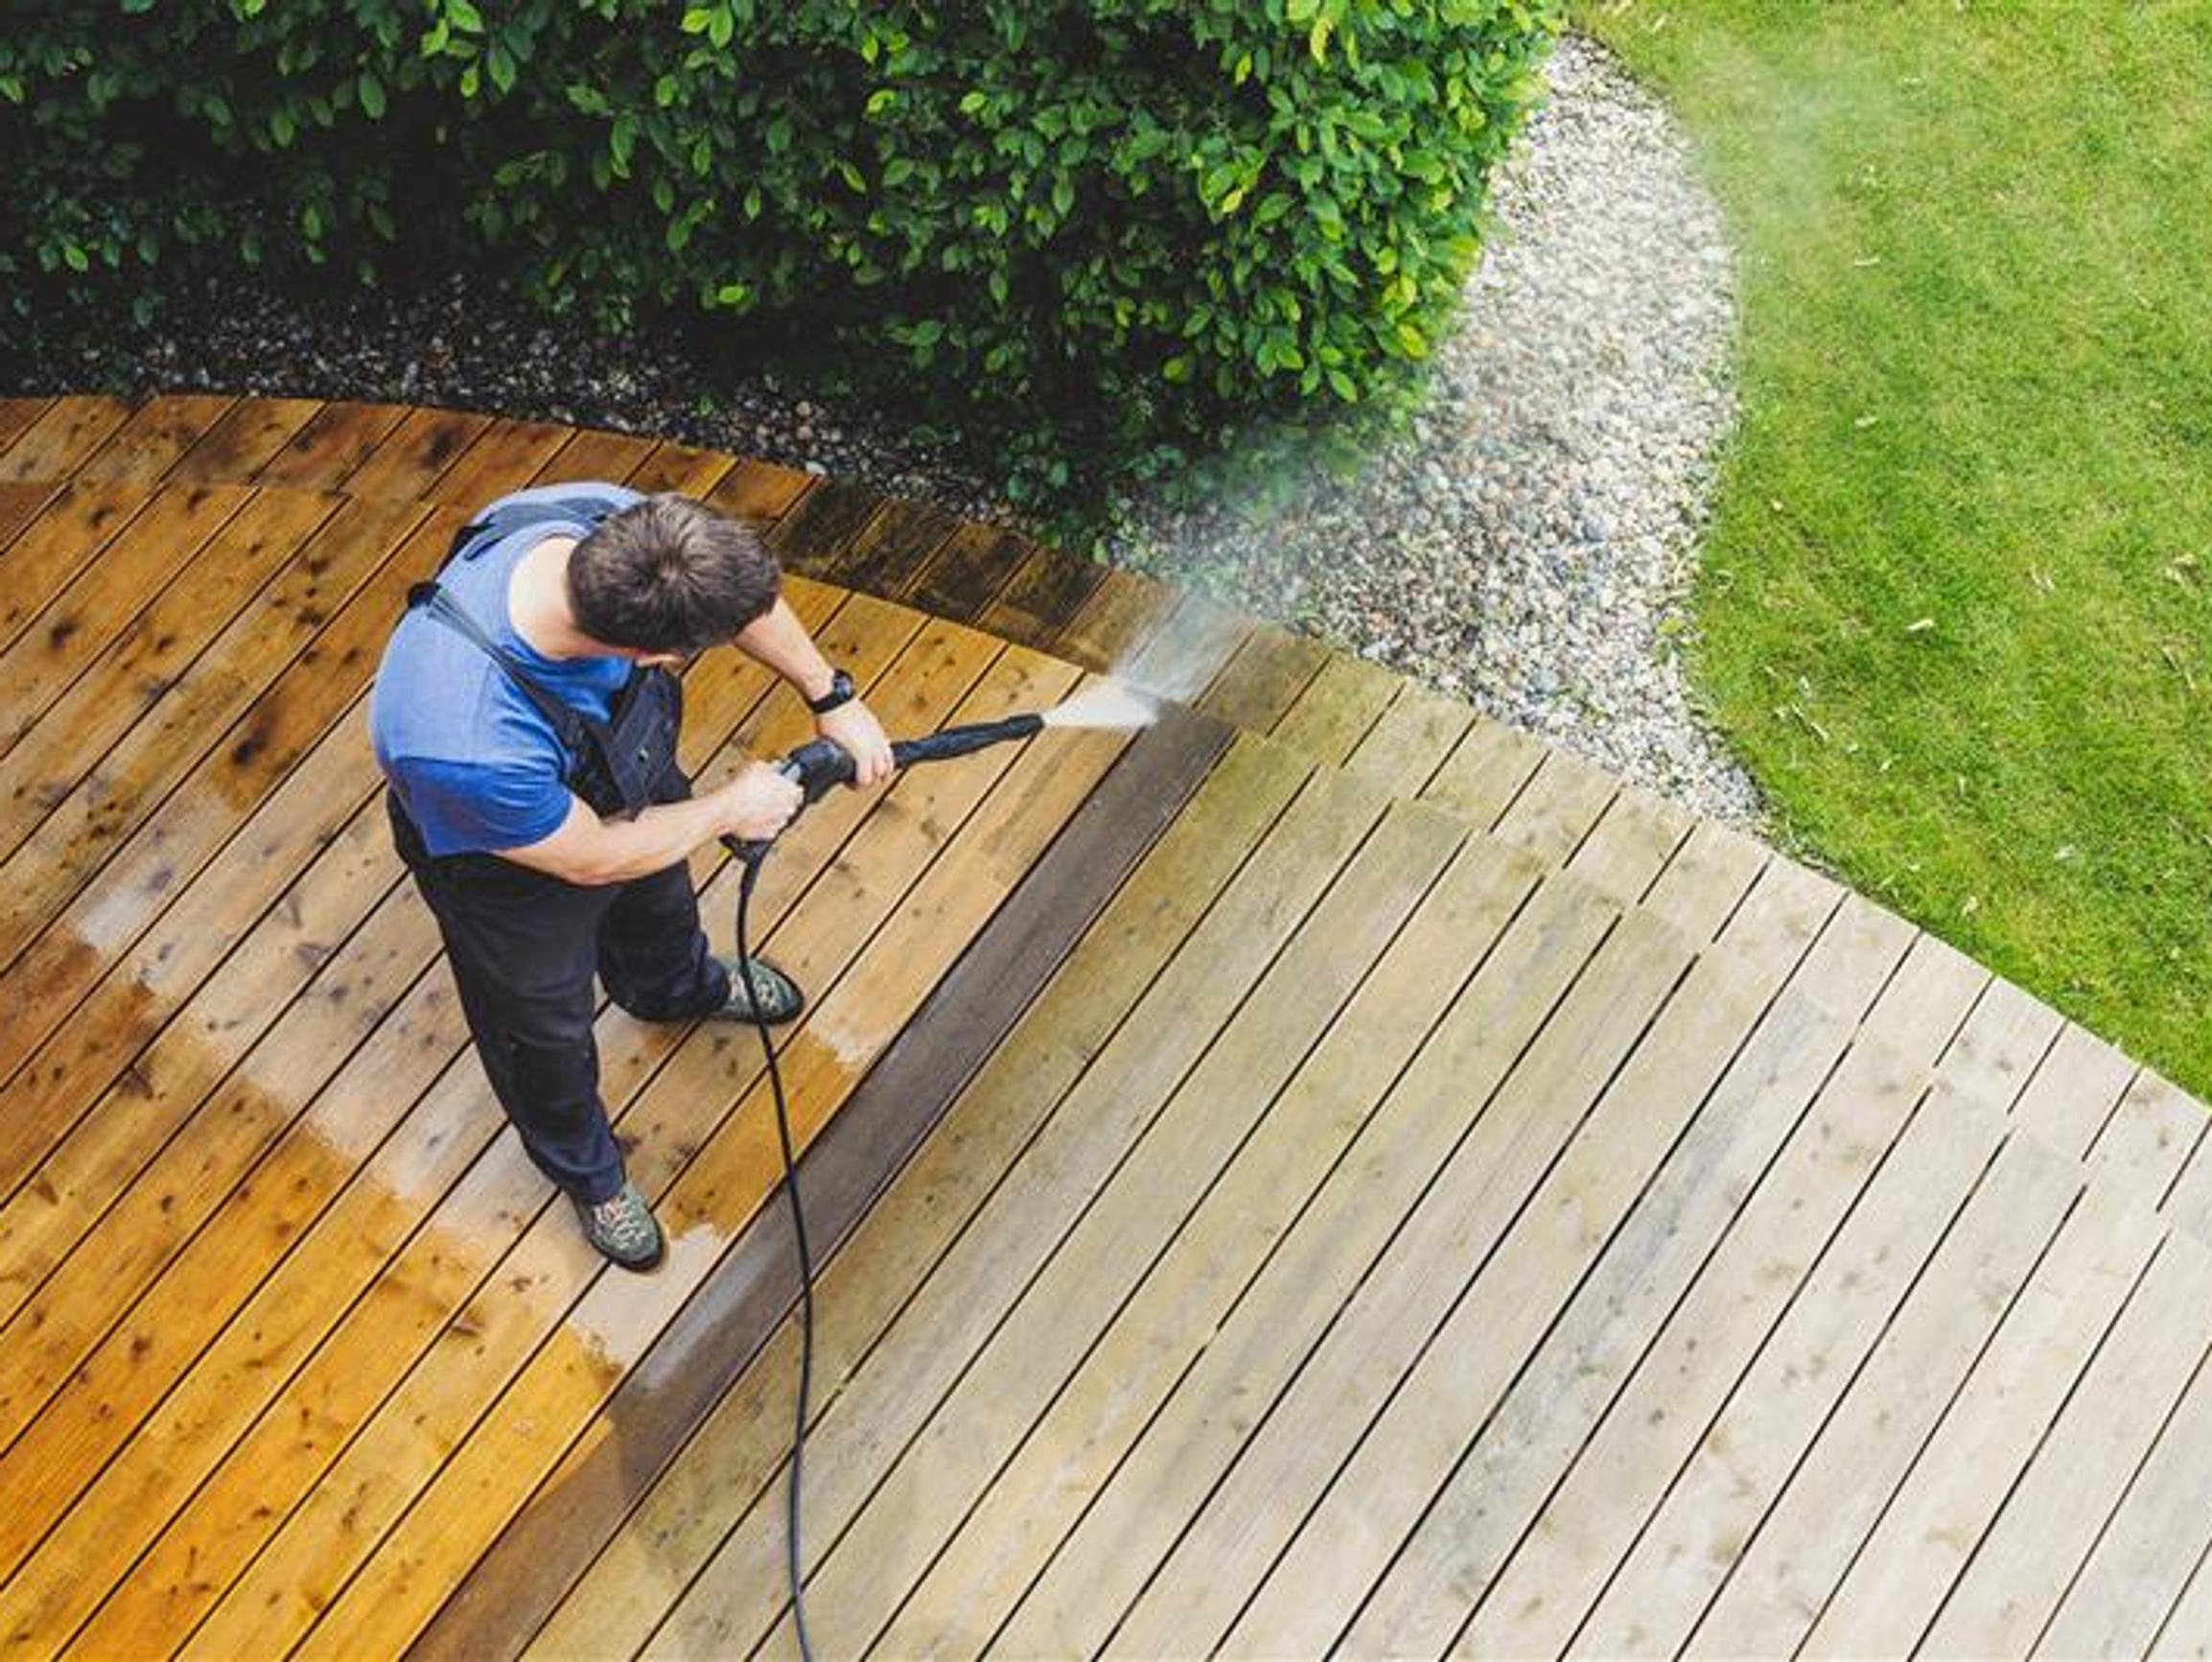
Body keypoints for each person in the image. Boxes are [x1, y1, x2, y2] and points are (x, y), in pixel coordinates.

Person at [368, 481, 892, 1272]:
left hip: (620, 776)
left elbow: (741, 597)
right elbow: (591, 857)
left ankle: (674, 989)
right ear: (653, 656)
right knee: (540, 1028)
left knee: (661, 905)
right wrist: (729, 808)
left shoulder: (615, 530)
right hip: (507, 867)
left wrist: (831, 693)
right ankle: (590, 1173)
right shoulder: (459, 732)